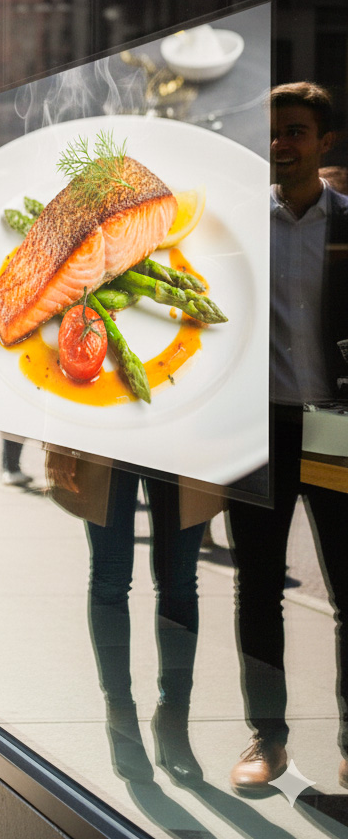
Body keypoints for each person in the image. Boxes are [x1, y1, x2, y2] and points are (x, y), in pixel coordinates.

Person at [227, 82, 348, 795]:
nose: (281, 143)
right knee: (258, 589)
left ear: (324, 142)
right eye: (273, 132)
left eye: (296, 131)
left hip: (335, 425)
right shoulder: (239, 226)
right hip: (260, 427)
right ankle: (265, 739)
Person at [46, 453, 222, 786]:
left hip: (182, 425)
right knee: (110, 579)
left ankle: (173, 722)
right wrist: (58, 439)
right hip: (108, 422)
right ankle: (121, 717)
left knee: (180, 581)